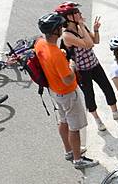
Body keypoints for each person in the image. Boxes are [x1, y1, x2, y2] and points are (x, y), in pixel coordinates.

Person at [32, 13, 93, 168]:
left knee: (63, 120)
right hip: (67, 93)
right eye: (60, 26)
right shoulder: (56, 54)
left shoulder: (40, 43)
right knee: (75, 128)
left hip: (54, 91)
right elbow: (68, 78)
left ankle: (68, 151)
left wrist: (62, 57)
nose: (62, 28)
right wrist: (71, 64)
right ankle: (78, 159)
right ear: (55, 31)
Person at [57, 3, 118, 129]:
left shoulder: (81, 26)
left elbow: (95, 41)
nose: (80, 14)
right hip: (82, 70)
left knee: (107, 87)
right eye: (76, 12)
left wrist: (95, 29)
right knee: (89, 95)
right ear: (68, 17)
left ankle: (115, 112)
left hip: (94, 64)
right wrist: (81, 26)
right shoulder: (67, 36)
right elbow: (88, 45)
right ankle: (97, 120)